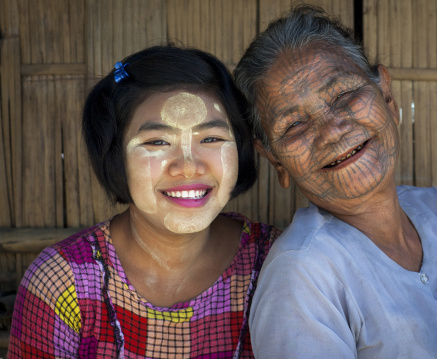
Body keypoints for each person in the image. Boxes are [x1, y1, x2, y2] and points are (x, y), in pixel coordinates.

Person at [234, 4, 437, 358]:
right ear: (275, 160)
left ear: (388, 98)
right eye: (294, 126)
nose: (332, 131)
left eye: (344, 94)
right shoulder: (302, 276)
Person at [8, 44, 280, 358]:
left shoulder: (278, 265)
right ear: (116, 157)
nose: (189, 166)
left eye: (211, 139)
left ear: (242, 149)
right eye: (157, 141)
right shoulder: (63, 282)